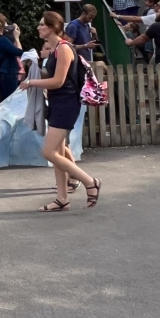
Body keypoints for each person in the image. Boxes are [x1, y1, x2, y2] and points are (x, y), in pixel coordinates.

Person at [20, 12, 101, 212]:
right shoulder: (55, 49)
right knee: (58, 151)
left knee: (48, 152)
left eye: (42, 25)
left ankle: (90, 182)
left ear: (52, 27)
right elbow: (54, 76)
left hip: (66, 103)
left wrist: (32, 82)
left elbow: (59, 81)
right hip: (57, 102)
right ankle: (62, 199)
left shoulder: (64, 49)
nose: (38, 27)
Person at [0, 13, 23, 101]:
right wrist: (17, 37)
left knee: (4, 100)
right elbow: (19, 52)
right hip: (8, 72)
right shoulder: (2, 40)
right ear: (3, 25)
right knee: (11, 101)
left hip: (0, 72)